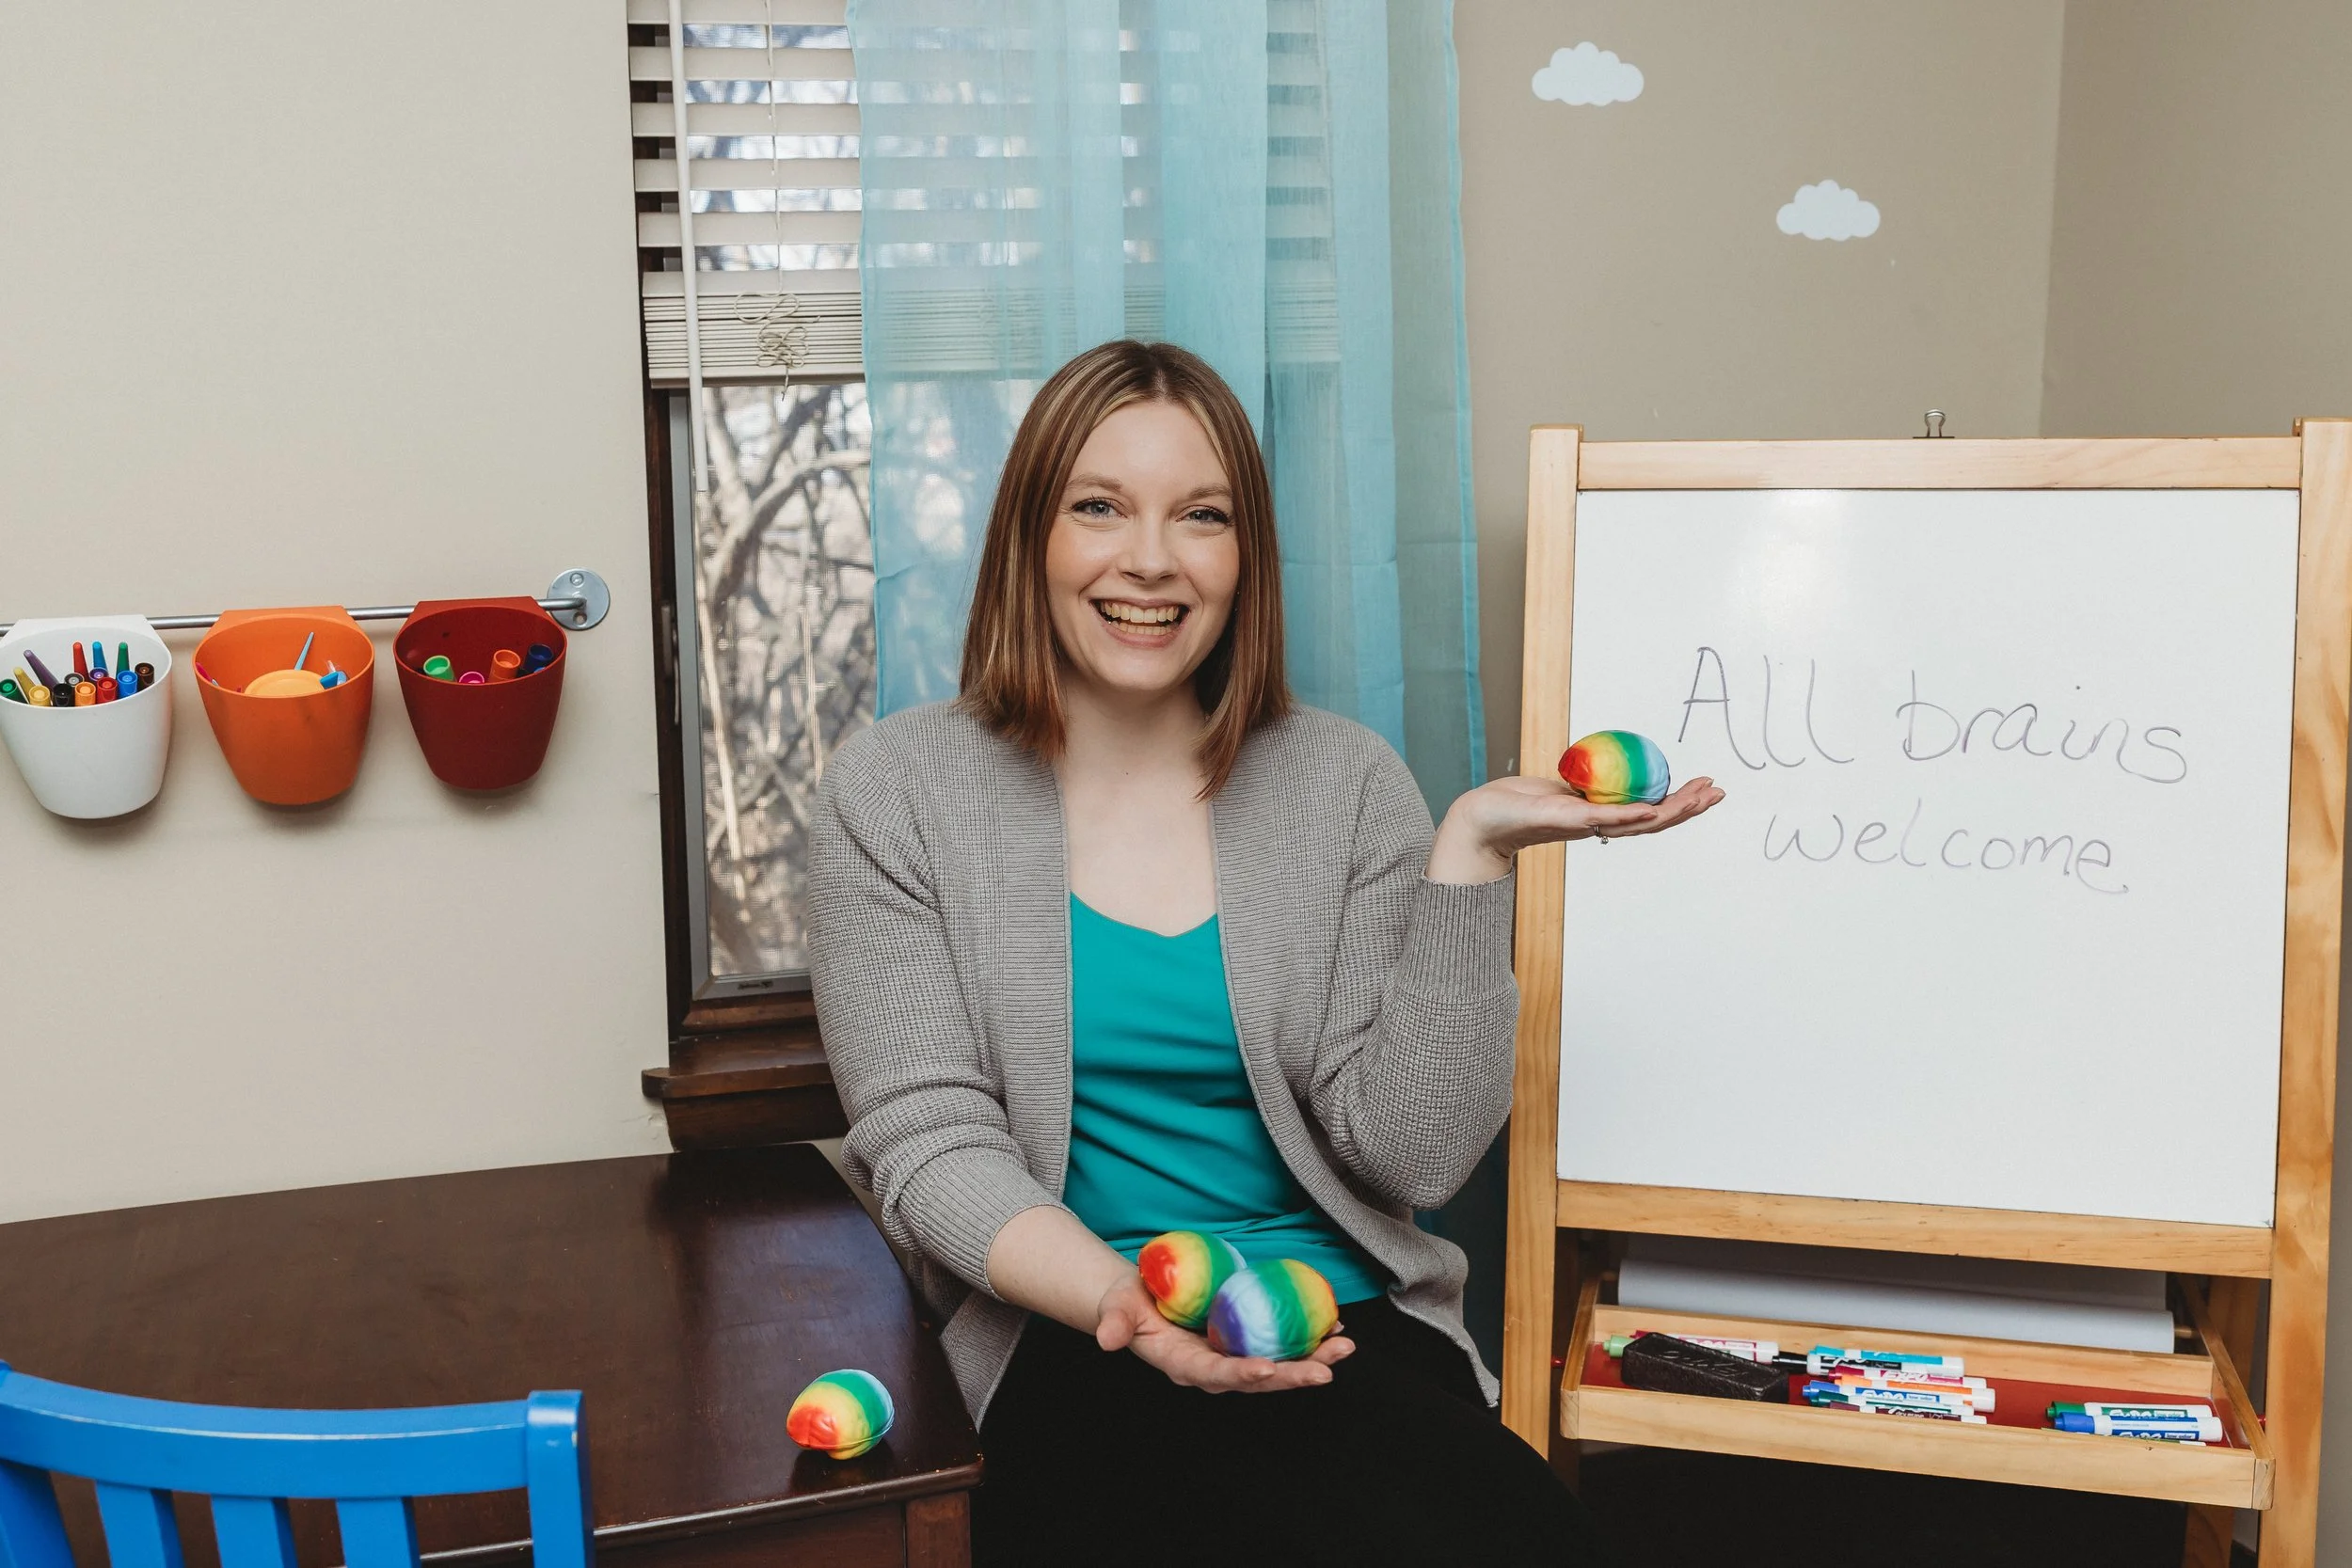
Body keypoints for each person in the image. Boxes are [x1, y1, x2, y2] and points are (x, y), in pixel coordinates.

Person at [808, 340, 1721, 1565]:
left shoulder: (1342, 783)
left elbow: (1415, 1153)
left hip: (1343, 1323)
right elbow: (929, 1143)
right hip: (1076, 1326)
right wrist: (1126, 1306)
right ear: (1031, 535)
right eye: (1099, 507)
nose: (1150, 559)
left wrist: (1471, 858)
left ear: (1246, 559)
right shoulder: (897, 792)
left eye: (1202, 516)